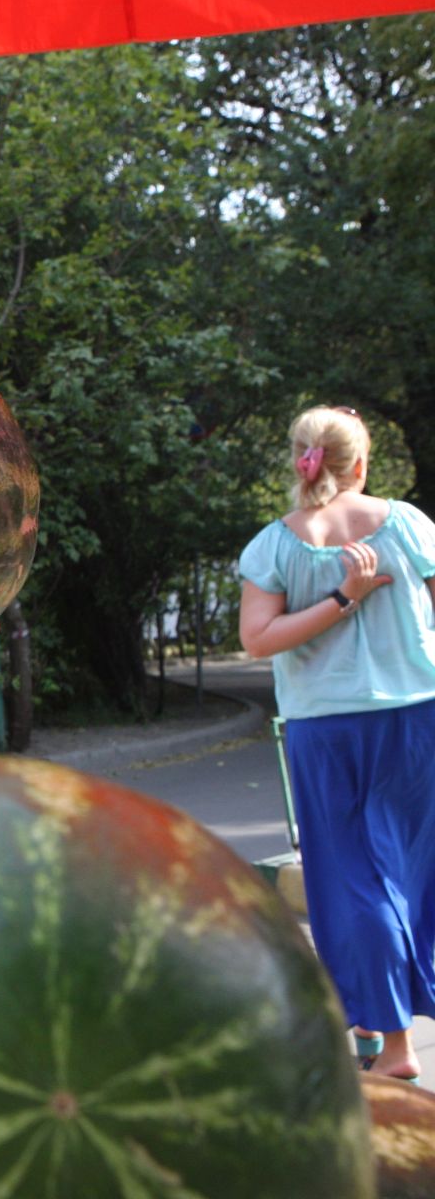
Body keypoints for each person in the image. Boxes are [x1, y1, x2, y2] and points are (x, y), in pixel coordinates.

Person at [238, 406, 435, 1084]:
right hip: (415, 721)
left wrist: (340, 600)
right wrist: (352, 594)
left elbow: (259, 640)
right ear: (361, 463)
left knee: (355, 880)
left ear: (302, 458)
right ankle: (387, 1036)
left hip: (327, 731)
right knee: (406, 871)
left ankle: (395, 1047)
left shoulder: (276, 545)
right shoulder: (407, 524)